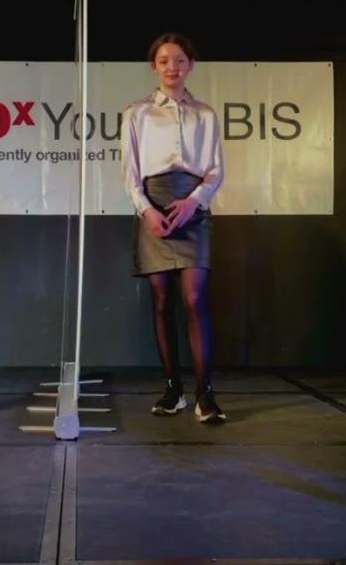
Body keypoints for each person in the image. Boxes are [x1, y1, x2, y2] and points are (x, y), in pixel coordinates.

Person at [120, 32, 226, 424]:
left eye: (179, 60)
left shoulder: (206, 114)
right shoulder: (137, 113)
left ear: (190, 65)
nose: (172, 67)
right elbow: (130, 172)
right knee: (162, 301)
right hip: (154, 207)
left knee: (195, 298)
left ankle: (205, 393)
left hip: (193, 208)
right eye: (164, 60)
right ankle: (173, 389)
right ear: (154, 66)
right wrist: (147, 210)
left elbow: (215, 169)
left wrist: (194, 201)